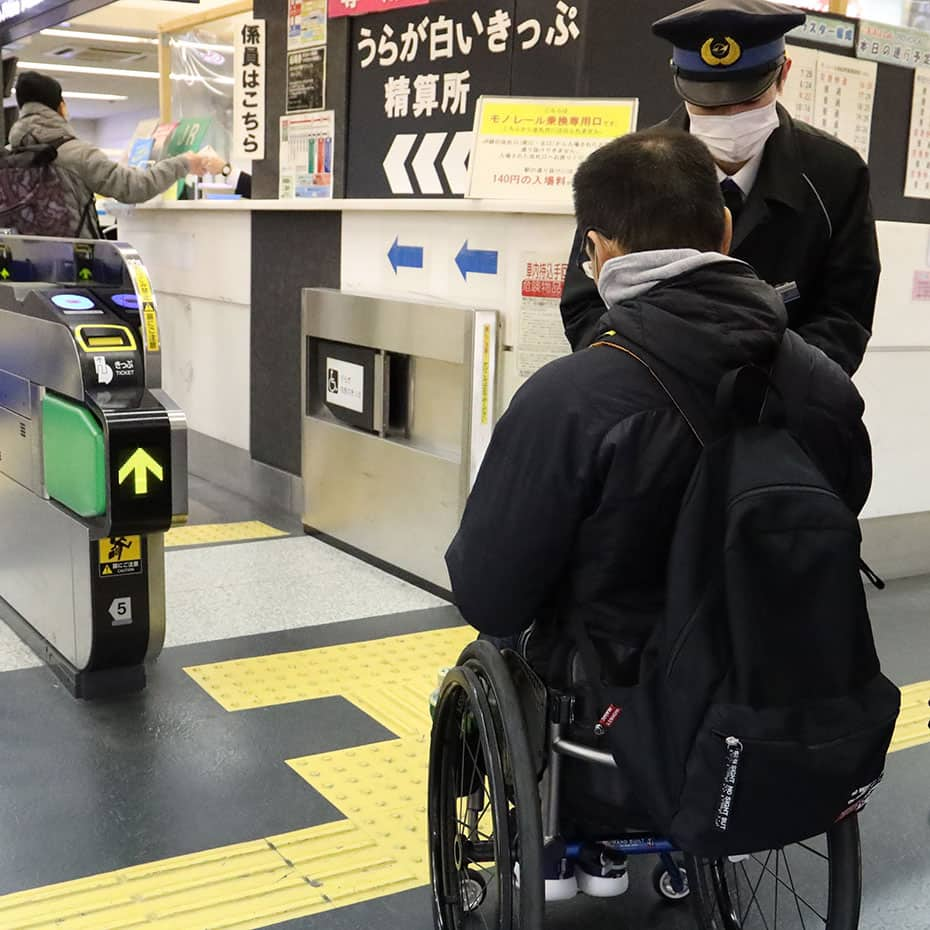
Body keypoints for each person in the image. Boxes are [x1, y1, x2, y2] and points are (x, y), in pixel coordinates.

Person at [446, 128, 871, 688]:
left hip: (624, 708)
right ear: (725, 230)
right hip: (785, 679)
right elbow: (848, 497)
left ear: (594, 252)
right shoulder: (823, 384)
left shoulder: (568, 399)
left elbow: (488, 594)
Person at [559, 0, 880, 376]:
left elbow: (845, 315)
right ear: (678, 81)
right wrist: (655, 382)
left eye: (748, 101)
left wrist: (771, 390)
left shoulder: (836, 174)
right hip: (652, 399)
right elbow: (585, 306)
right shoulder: (627, 171)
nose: (729, 117)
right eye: (708, 105)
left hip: (783, 407)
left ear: (783, 74)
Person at [8, 71, 225, 238]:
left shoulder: (10, 155)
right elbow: (135, 187)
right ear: (61, 107)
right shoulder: (75, 154)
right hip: (74, 263)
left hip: (20, 265)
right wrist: (183, 162)